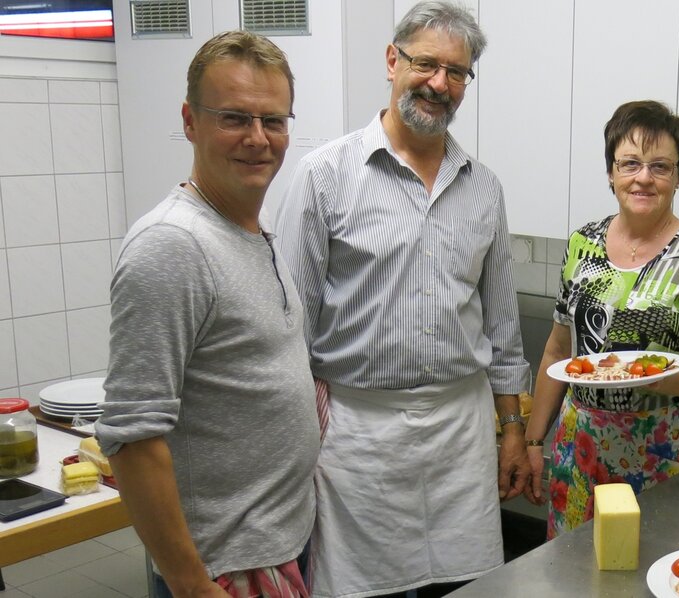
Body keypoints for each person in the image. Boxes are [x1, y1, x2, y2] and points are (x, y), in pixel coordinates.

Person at [274, 2, 531, 597]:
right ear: (392, 61)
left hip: (461, 434)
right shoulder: (325, 176)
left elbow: (503, 327)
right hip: (359, 436)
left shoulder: (483, 187)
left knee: (468, 589)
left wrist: (514, 430)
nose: (441, 84)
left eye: (458, 72)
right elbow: (289, 328)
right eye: (426, 64)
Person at [95, 31, 319, 598]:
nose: (258, 139)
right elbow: (131, 436)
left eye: (274, 120)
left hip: (277, 547)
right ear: (190, 121)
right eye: (233, 118)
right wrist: (192, 585)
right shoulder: (173, 246)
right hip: (224, 568)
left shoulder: (254, 231)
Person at [523, 100, 679, 539]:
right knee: (572, 573)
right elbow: (558, 351)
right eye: (630, 163)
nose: (644, 177)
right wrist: (532, 440)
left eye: (661, 166)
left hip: (660, 449)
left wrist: (655, 379)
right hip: (579, 446)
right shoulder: (582, 245)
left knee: (651, 569)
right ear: (611, 172)